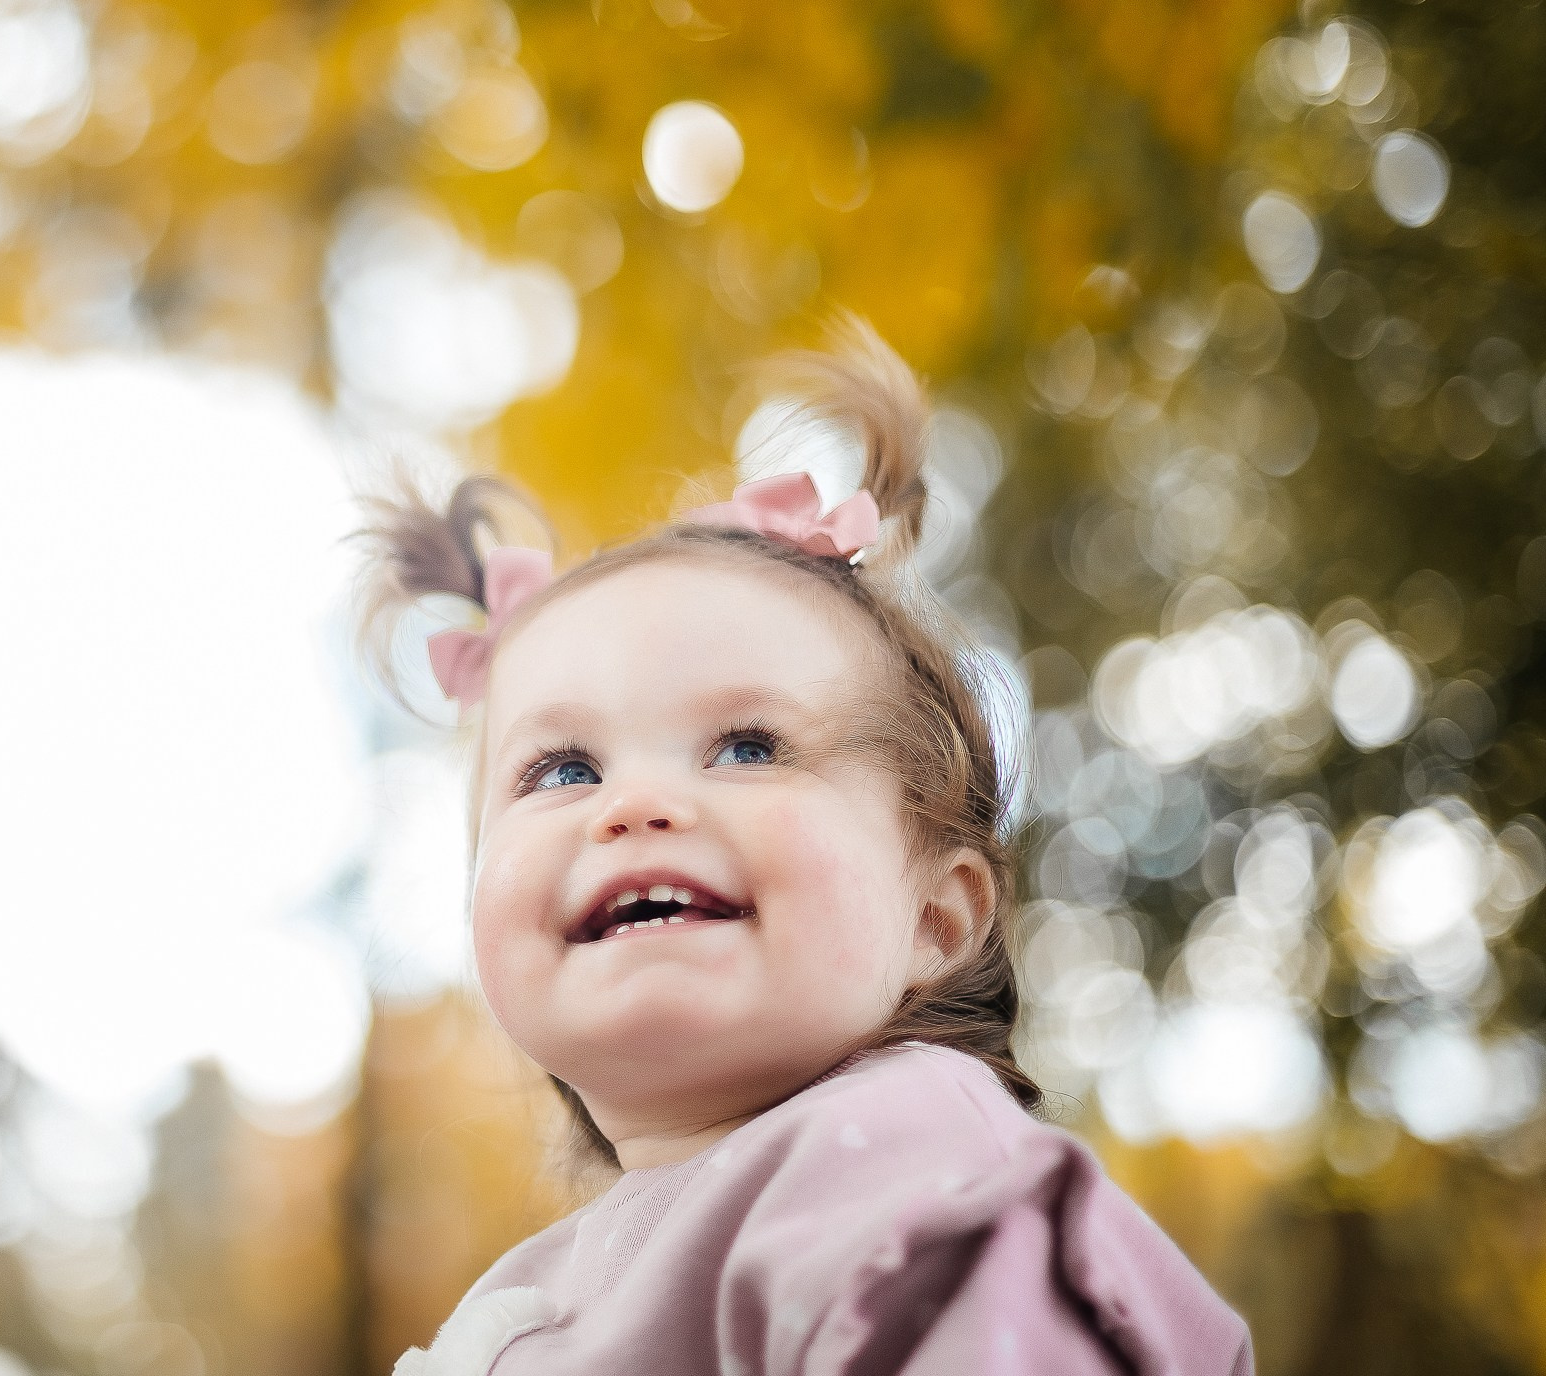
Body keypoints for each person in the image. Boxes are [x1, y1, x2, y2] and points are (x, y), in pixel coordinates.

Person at [368, 320, 1252, 1375]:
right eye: (563, 769)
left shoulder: (900, 1156)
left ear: (937, 914)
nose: (634, 804)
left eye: (747, 746)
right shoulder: (526, 1297)